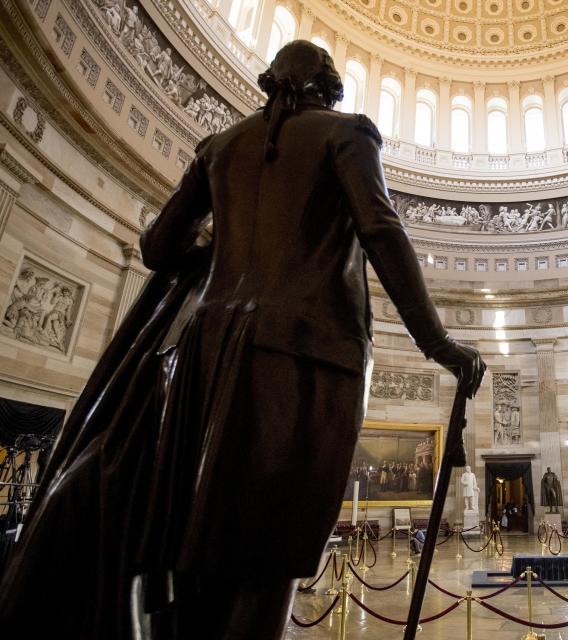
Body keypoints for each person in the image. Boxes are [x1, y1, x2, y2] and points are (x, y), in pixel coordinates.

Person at [0, 41, 485, 639]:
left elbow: (155, 250)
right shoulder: (348, 134)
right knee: (269, 551)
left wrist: (215, 244)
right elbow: (382, 232)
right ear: (326, 88)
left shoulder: (219, 147)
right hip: (304, 357)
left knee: (198, 540)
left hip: (203, 354)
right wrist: (439, 345)